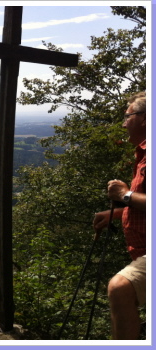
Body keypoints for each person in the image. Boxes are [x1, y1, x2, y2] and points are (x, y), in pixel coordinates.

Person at [93, 91, 146, 340]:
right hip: (142, 249)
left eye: (127, 116)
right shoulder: (142, 154)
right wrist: (114, 214)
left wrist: (124, 194)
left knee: (120, 287)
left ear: (145, 119)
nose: (124, 123)